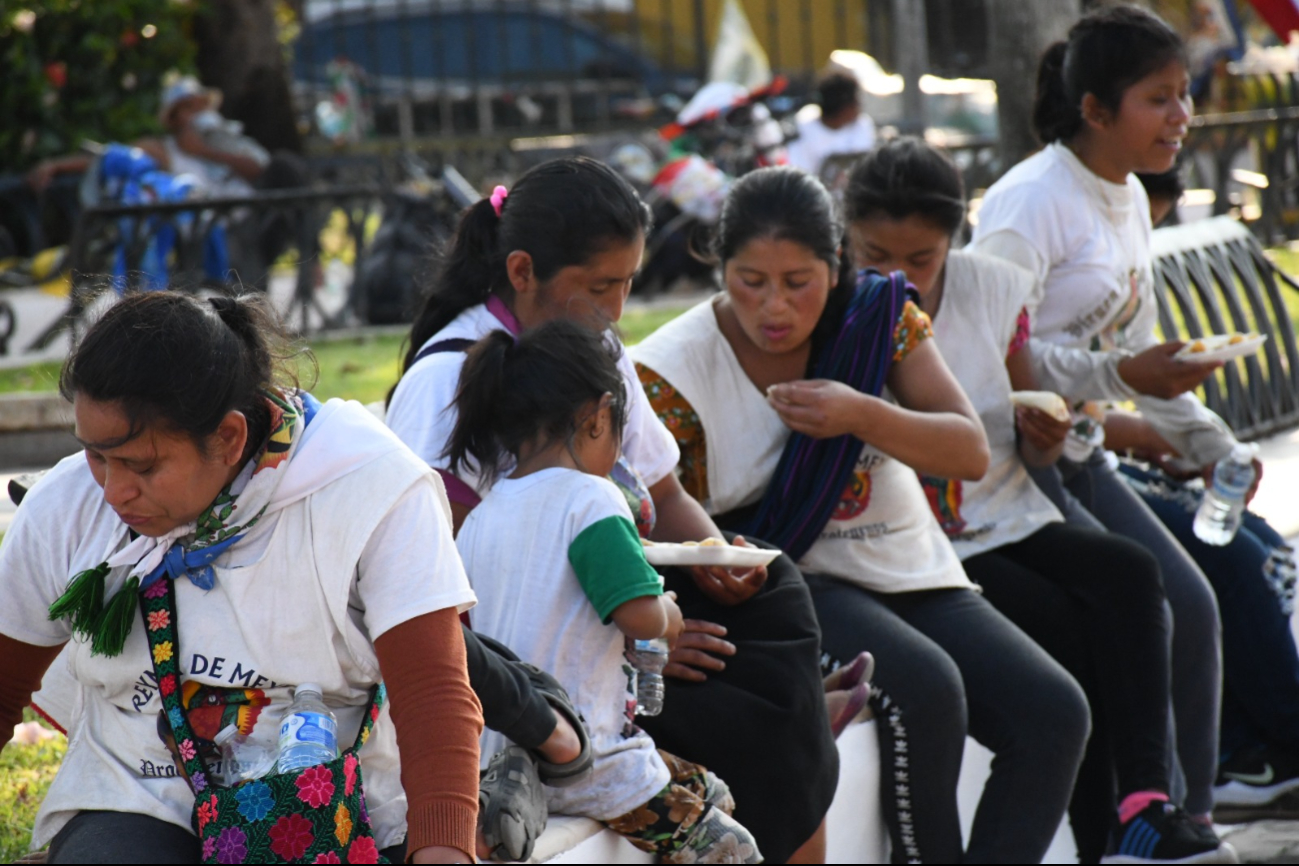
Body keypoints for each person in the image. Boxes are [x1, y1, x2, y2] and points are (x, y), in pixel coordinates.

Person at [632, 165, 1091, 863]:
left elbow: (966, 450)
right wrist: (714, 556)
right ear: (717, 266)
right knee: (925, 691)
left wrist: (861, 412)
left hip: (908, 565)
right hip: (791, 584)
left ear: (836, 263)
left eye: (798, 282)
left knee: (1054, 712)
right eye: (750, 281)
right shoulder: (669, 371)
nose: (774, 308)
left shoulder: (875, 318)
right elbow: (656, 508)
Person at [385, 156, 838, 864]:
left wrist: (715, 558)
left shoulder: (594, 345)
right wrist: (641, 634)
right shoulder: (448, 376)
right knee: (762, 718)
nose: (616, 308)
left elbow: (662, 490)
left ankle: (801, 713)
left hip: (616, 599)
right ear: (523, 270)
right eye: (599, 287)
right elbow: (437, 586)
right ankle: (800, 725)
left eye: (627, 283)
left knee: (775, 588)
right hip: (530, 661)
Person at [842, 136, 1237, 863]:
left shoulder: (991, 288)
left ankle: (1144, 800)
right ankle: (1104, 840)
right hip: (914, 543)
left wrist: (1043, 437)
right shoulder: (831, 306)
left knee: (1126, 571)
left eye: (920, 259)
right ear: (846, 238)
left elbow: (1023, 400)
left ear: (953, 241)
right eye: (874, 255)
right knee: (1064, 633)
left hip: (1002, 507)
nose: (897, 276)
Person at [0, 291, 481, 863]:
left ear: (228, 439)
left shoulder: (372, 488)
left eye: (142, 465)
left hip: (337, 806)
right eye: (97, 456)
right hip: (143, 795)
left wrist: (445, 851)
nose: (113, 491)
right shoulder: (68, 503)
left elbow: (433, 695)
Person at [969, 5, 1229, 831]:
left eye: (1183, 95)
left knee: (1193, 604)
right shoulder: (1027, 206)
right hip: (1021, 459)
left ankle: (1182, 817)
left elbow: (1139, 350)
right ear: (1094, 110)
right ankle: (1152, 820)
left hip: (1080, 448)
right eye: (1159, 99)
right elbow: (993, 357)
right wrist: (1122, 380)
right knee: (1170, 603)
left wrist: (1208, 443)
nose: (1181, 117)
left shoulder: (1122, 195)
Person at [449, 319, 760, 863]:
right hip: (593, 760)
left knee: (710, 791)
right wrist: (668, 612)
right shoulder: (592, 500)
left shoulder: (482, 517)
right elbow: (638, 616)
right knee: (735, 847)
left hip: (507, 760)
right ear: (595, 418)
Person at [785, 70, 877, 180]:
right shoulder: (803, 128)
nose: (859, 107)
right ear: (844, 108)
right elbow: (800, 176)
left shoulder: (862, 125)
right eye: (855, 102)